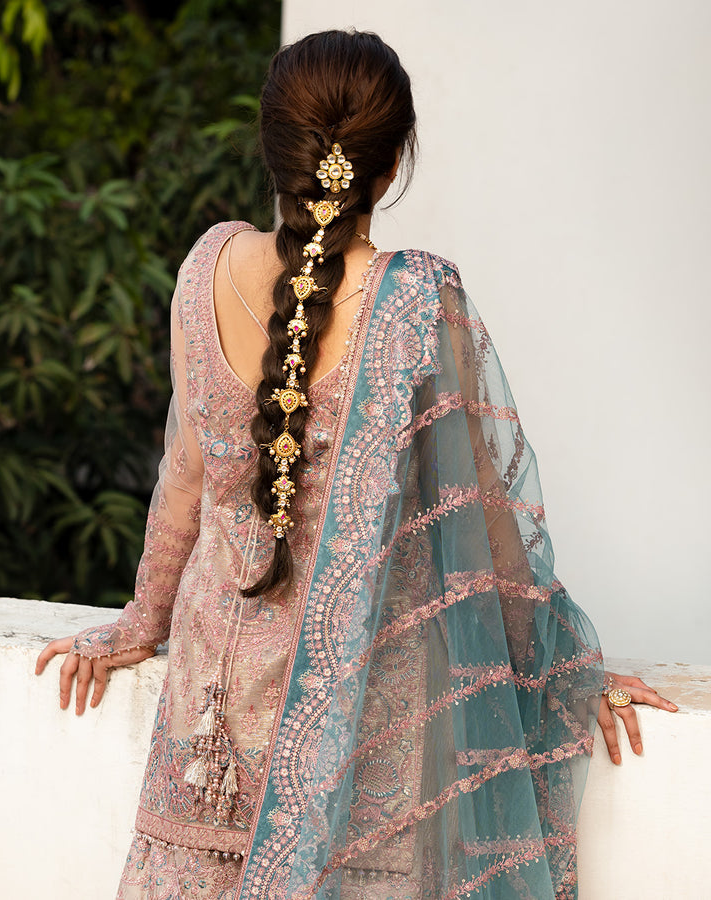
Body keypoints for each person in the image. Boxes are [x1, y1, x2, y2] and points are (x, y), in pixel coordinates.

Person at [36, 29, 677, 900]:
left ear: (272, 147)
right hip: (355, 743)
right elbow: (483, 519)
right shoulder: (417, 300)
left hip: (208, 730)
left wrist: (138, 623)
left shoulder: (205, 270)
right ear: (393, 163)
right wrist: (564, 665)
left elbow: (183, 477)